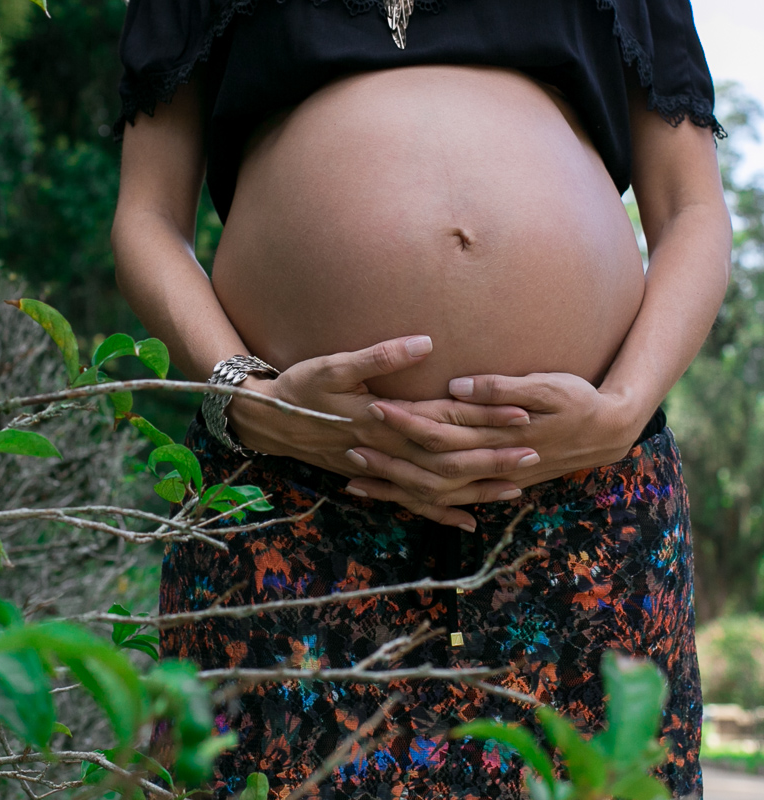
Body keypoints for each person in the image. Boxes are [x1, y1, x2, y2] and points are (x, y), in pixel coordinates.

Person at [111, 1, 731, 797]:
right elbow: (147, 217)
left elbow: (691, 209)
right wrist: (246, 396)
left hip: (582, 498)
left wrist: (623, 411)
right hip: (291, 492)